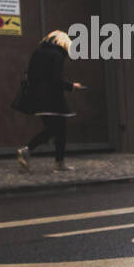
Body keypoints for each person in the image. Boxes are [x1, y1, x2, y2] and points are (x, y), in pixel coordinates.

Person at [16, 30, 84, 173]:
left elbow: (30, 75)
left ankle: (34, 153)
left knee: (53, 129)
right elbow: (56, 80)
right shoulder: (57, 55)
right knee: (59, 130)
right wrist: (72, 86)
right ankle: (50, 159)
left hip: (37, 99)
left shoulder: (37, 53)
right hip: (53, 100)